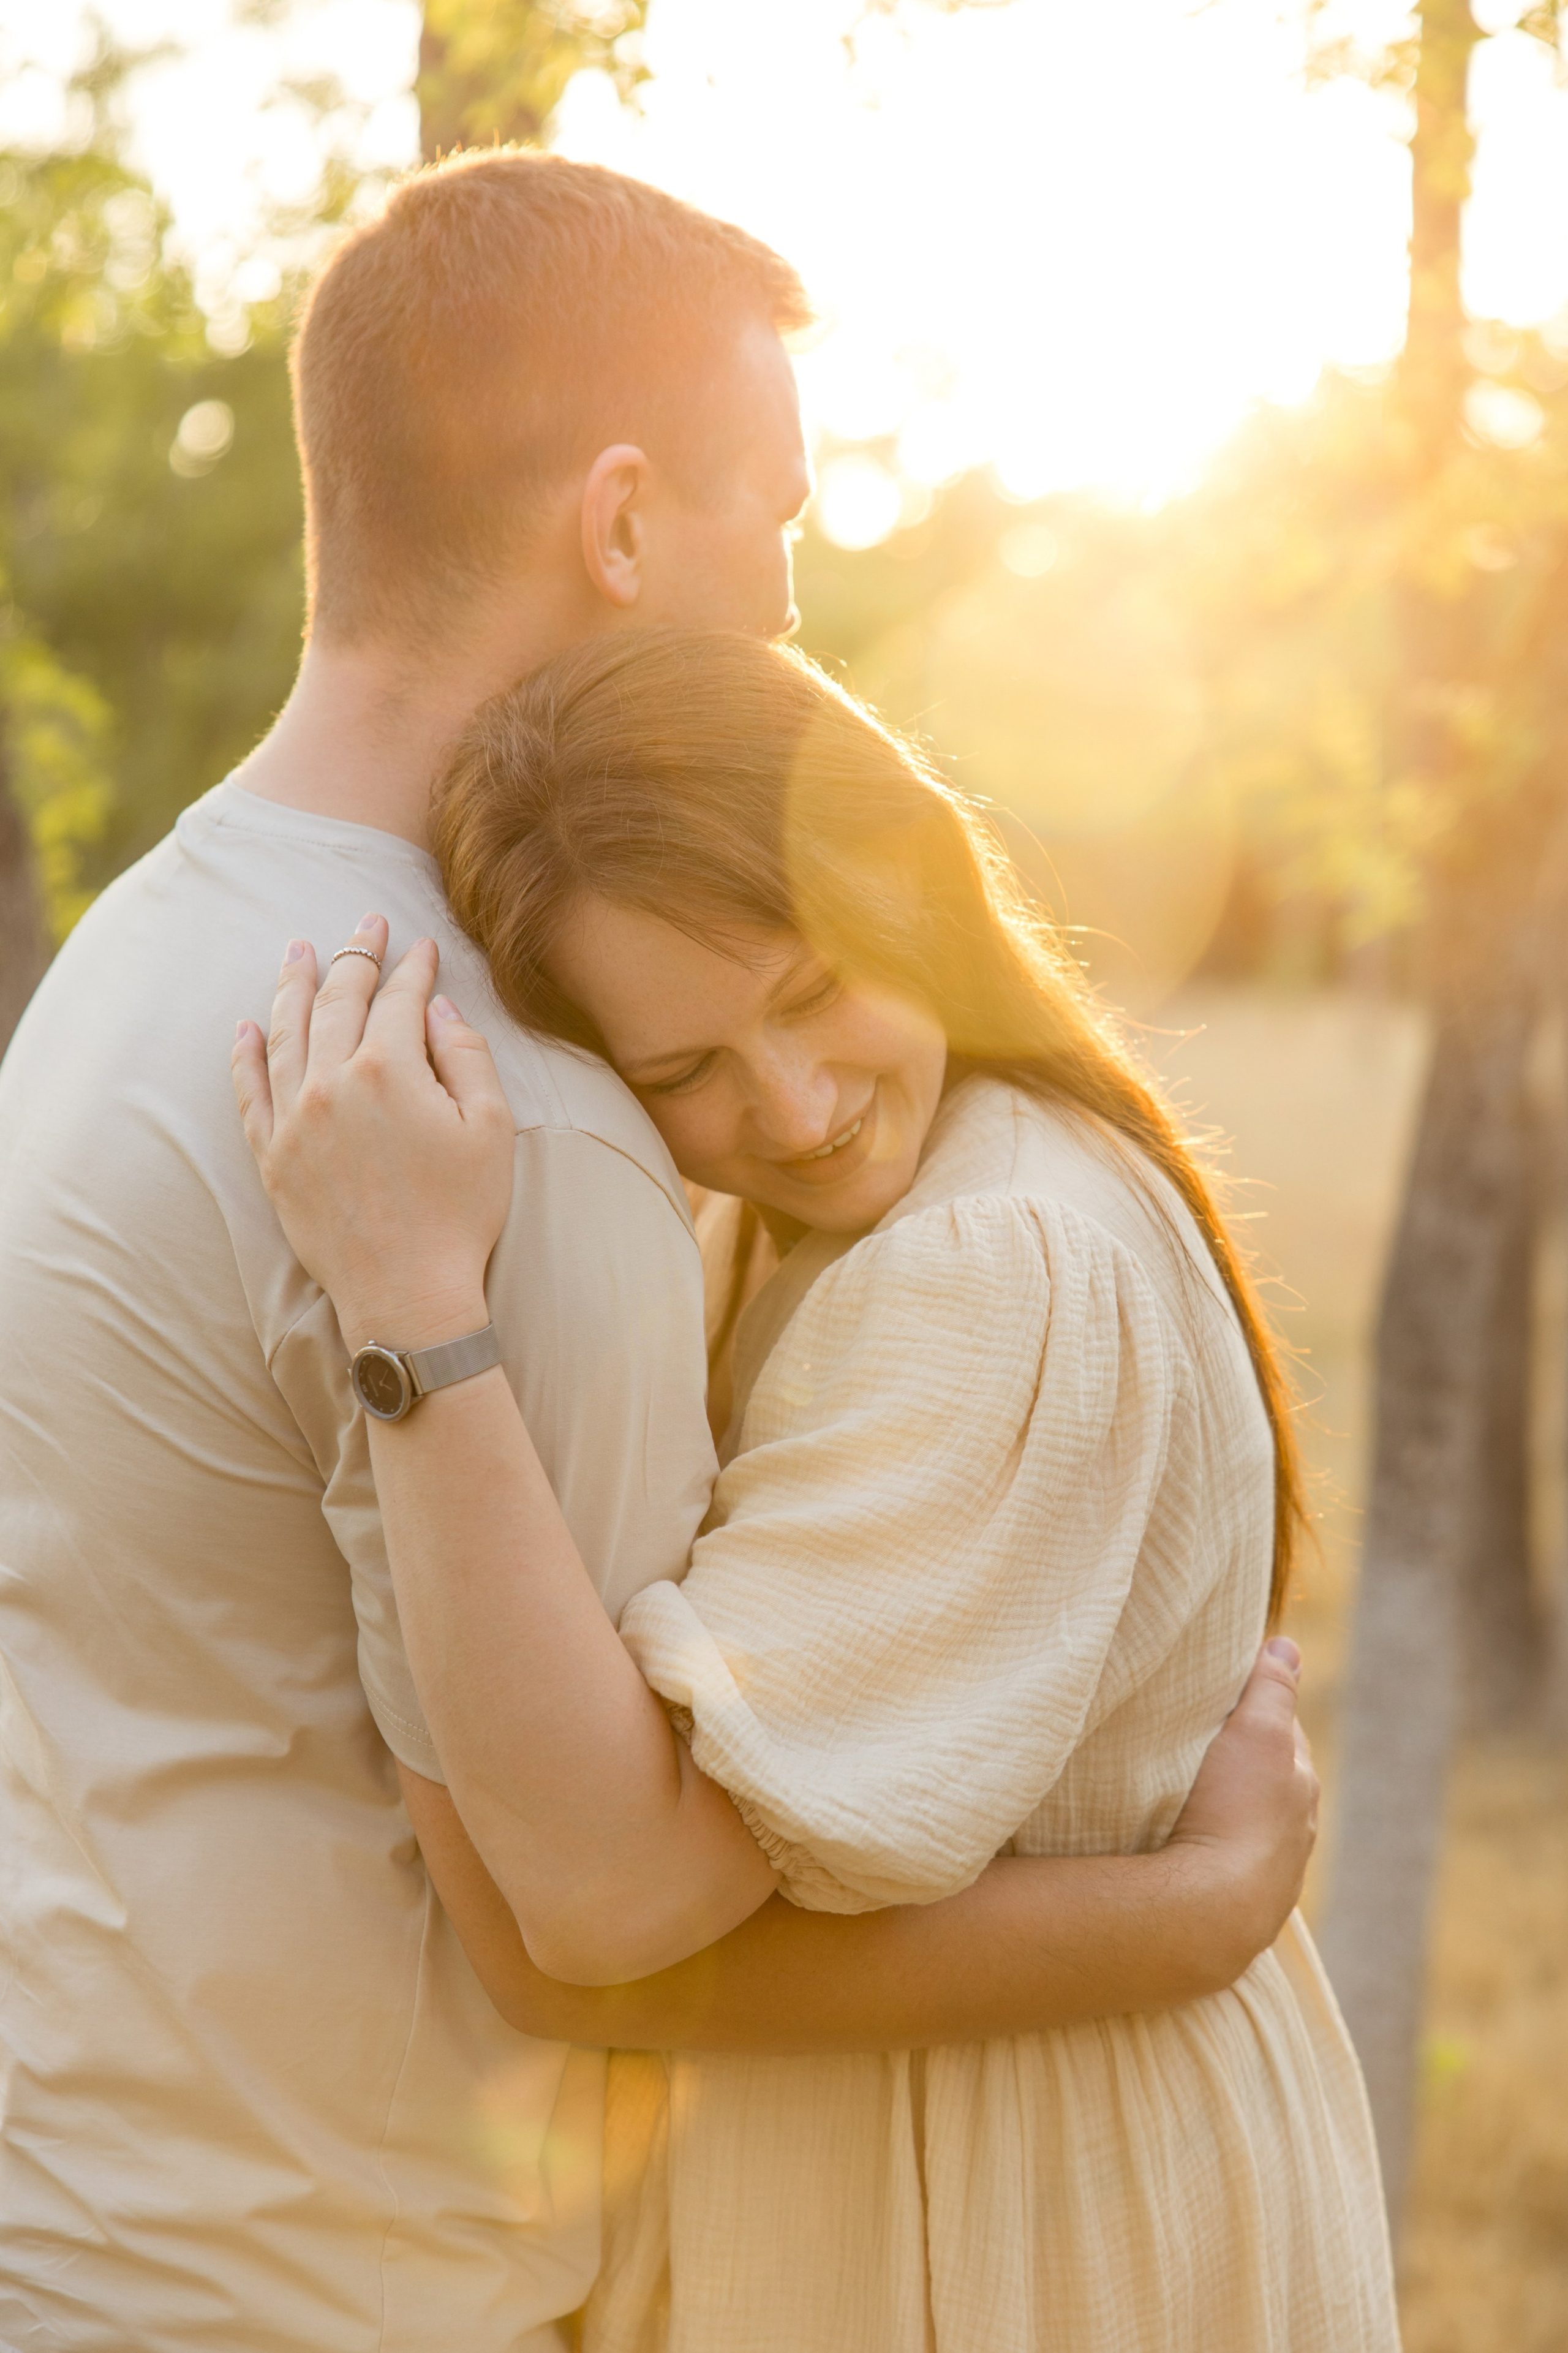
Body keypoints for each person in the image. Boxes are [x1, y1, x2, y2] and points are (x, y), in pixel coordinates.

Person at [0, 152, 1314, 2352]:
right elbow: (597, 1899)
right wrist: (1198, 1911)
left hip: (107, 2224)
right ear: (624, 526)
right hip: (359, 2292)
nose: (789, 615)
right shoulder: (505, 1115)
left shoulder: (135, 965)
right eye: (774, 526)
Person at [232, 629, 1400, 2352]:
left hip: (1021, 2222)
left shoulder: (991, 1261)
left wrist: (407, 1313)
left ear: (908, 889)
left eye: (807, 990)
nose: (791, 1108)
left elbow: (602, 1916)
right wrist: (1186, 1911)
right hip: (964, 2164)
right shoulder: (796, 1217)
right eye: (682, 1070)